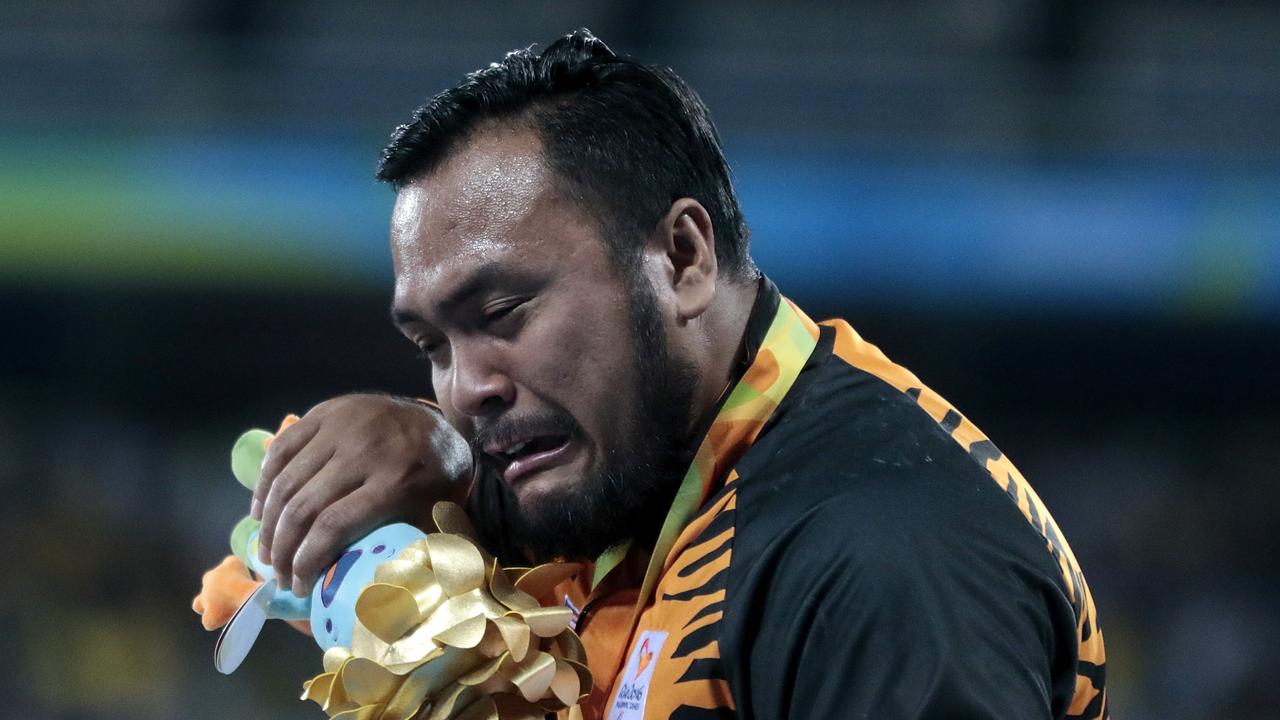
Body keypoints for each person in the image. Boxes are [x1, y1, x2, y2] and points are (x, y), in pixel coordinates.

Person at [248, 29, 1108, 719]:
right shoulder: (642, 459)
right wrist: (431, 445)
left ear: (682, 258)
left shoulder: (880, 566)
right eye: (432, 347)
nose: (468, 387)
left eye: (502, 315)